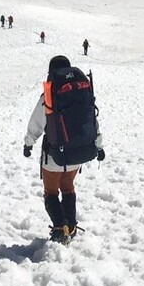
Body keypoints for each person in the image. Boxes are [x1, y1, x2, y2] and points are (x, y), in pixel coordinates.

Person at [23, 55, 104, 242]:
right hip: (77, 154)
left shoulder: (50, 95)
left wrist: (28, 143)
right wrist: (99, 146)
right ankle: (72, 225)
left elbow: (36, 122)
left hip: (54, 155)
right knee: (68, 187)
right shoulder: (81, 93)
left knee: (50, 192)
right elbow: (92, 121)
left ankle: (60, 229)